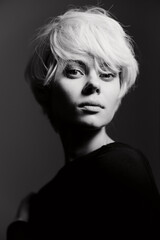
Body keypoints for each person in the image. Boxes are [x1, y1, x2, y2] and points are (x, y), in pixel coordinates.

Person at [7, 6, 160, 239]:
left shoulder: (122, 166)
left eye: (107, 74)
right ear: (47, 88)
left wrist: (19, 226)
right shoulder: (48, 195)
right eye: (75, 71)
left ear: (119, 91)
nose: (94, 84)